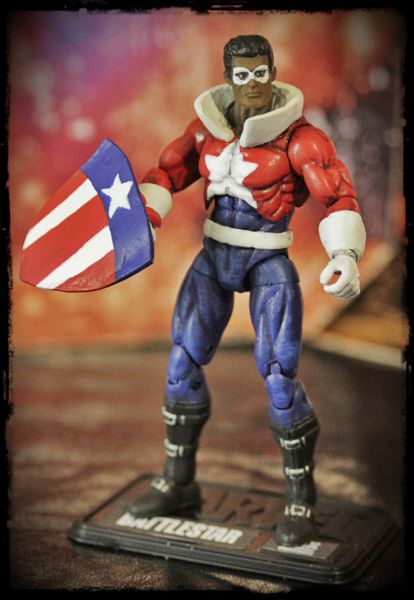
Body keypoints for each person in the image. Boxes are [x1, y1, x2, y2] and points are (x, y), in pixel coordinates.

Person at [130, 34, 366, 546]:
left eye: (261, 73)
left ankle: (300, 500)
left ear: (273, 73)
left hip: (267, 259)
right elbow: (166, 173)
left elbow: (338, 196)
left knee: (280, 377)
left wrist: (345, 254)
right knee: (181, 363)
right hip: (215, 255)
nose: (253, 83)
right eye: (243, 75)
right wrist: (145, 216)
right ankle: (177, 482)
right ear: (229, 78)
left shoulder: (301, 138)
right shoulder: (207, 129)